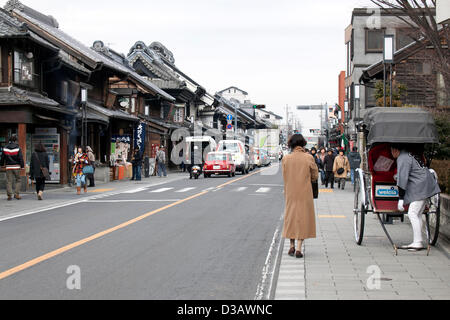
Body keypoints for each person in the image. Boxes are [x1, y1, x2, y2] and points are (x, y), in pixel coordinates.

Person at [391, 144, 441, 251]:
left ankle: (417, 242)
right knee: (417, 214)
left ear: (395, 150)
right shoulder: (409, 154)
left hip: (421, 186)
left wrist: (401, 198)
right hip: (425, 184)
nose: (391, 154)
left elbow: (402, 179)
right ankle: (418, 240)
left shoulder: (402, 158)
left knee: (412, 213)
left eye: (391, 151)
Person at [282, 134, 318, 259]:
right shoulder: (308, 158)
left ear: (291, 144)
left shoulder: (286, 158)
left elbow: (285, 176)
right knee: (302, 217)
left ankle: (290, 245)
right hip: (304, 192)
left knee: (290, 216)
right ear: (303, 144)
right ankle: (298, 247)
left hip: (290, 191)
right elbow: (315, 176)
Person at [0, 135, 24, 200]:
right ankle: (16, 194)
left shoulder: (5, 148)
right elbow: (20, 158)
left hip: (8, 167)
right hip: (16, 166)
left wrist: (2, 164)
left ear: (9, 140)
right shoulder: (18, 148)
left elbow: (2, 158)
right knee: (18, 180)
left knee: (9, 181)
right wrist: (22, 166)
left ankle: (9, 195)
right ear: (15, 140)